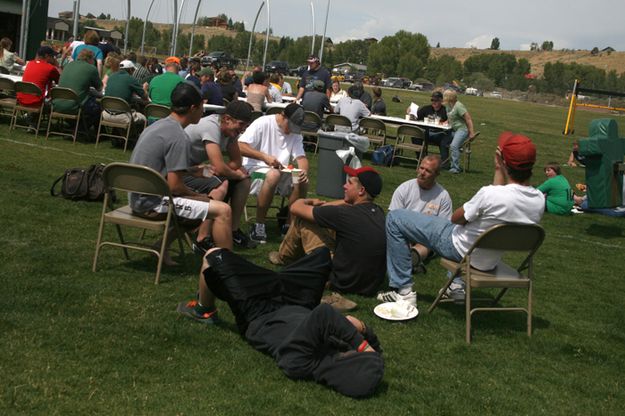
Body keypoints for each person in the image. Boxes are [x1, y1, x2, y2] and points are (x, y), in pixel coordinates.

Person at [177, 247, 384, 398]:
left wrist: (362, 345)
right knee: (322, 255)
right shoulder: (339, 350)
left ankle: (204, 309)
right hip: (296, 302)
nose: (353, 350)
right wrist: (364, 330)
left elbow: (324, 314)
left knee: (213, 256)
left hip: (259, 311)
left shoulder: (300, 363)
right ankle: (274, 275)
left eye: (356, 355)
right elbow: (374, 349)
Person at [378, 132, 545, 307]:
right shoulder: (539, 200)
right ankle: (456, 285)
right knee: (470, 229)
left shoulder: (490, 194)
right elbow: (503, 199)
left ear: (503, 161)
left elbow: (456, 218)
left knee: (395, 218)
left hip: (457, 247)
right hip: (489, 259)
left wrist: (475, 207)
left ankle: (403, 291)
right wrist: (499, 169)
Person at [129, 82, 233, 260]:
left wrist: (192, 171)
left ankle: (161, 247)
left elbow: (162, 168)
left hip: (137, 197)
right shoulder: (178, 136)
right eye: (202, 107)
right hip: (151, 204)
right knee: (223, 210)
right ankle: (229, 267)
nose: (203, 112)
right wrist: (200, 197)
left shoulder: (159, 125)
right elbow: (175, 187)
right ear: (193, 108)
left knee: (201, 205)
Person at [268, 165, 386, 309]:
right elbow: (341, 206)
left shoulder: (345, 215)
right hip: (370, 285)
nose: (344, 185)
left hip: (342, 281)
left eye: (349, 183)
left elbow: (295, 208)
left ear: (361, 191)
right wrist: (337, 203)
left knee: (303, 219)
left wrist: (310, 202)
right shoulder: (378, 213)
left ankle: (284, 258)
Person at [184, 101, 258, 248]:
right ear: (227, 119)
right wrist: (232, 174)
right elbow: (219, 166)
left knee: (244, 181)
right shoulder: (211, 127)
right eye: (241, 124)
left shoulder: (230, 131)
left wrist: (227, 171)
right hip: (178, 172)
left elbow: (236, 161)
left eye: (245, 126)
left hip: (194, 170)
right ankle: (202, 238)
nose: (242, 129)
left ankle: (233, 230)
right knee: (222, 185)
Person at [238, 103, 309, 243]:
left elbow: (301, 158)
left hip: (278, 170)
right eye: (290, 126)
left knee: (301, 179)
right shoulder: (263, 122)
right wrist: (264, 157)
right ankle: (259, 225)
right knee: (273, 174)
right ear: (283, 116)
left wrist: (303, 171)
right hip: (254, 168)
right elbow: (240, 146)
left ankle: (289, 225)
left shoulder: (295, 134)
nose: (291, 131)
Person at [388, 155, 453, 267]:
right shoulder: (405, 188)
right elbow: (392, 217)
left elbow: (444, 229)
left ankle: (411, 259)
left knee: (426, 246)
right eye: (421, 168)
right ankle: (409, 260)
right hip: (404, 231)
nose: (422, 173)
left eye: (428, 171)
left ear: (436, 174)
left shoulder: (443, 196)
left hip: (426, 237)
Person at [54, 48, 102, 128]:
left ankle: (76, 126)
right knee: (98, 108)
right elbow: (99, 88)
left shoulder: (68, 65)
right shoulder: (91, 69)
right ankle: (84, 128)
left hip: (57, 104)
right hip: (75, 106)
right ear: (90, 59)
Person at [102, 59, 147, 127]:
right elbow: (144, 96)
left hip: (106, 114)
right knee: (144, 118)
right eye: (133, 70)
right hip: (123, 116)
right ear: (130, 70)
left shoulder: (111, 77)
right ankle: (134, 136)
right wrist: (145, 89)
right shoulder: (131, 79)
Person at [412, 91, 452, 166]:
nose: (434, 102)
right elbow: (415, 117)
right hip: (426, 133)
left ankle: (445, 162)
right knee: (415, 135)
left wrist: (446, 122)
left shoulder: (445, 110)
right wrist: (411, 113)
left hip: (439, 134)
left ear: (441, 101)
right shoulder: (426, 109)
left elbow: (451, 121)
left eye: (436, 100)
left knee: (444, 138)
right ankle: (420, 158)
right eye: (432, 100)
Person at [443, 89, 476, 174]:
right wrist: (446, 122)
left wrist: (472, 132)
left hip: (462, 129)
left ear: (450, 97)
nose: (444, 97)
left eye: (445, 96)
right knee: (443, 140)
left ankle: (455, 168)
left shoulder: (459, 106)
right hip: (454, 129)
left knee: (453, 146)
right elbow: (450, 117)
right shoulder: (448, 106)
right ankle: (446, 162)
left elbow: (468, 119)